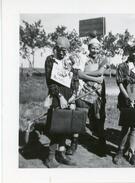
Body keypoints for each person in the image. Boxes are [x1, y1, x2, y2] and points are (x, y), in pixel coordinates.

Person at [44, 37, 78, 168]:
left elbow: (75, 78)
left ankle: (61, 153)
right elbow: (50, 82)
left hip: (69, 96)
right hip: (57, 96)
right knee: (56, 126)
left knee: (65, 126)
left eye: (65, 50)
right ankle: (50, 156)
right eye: (60, 50)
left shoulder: (69, 60)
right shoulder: (50, 60)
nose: (63, 53)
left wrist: (73, 95)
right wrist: (60, 97)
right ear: (56, 48)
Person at [113, 41, 135, 165]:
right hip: (126, 99)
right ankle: (119, 151)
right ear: (130, 52)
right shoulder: (123, 66)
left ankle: (132, 151)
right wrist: (127, 97)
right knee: (125, 127)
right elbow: (120, 83)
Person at [73, 37, 109, 157]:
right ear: (89, 48)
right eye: (93, 48)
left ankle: (101, 144)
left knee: (99, 119)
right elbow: (79, 74)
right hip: (85, 91)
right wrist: (94, 78)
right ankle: (74, 143)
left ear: (100, 49)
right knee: (79, 117)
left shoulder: (104, 59)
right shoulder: (84, 59)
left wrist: (84, 74)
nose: (95, 50)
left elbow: (100, 72)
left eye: (97, 48)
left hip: (98, 93)